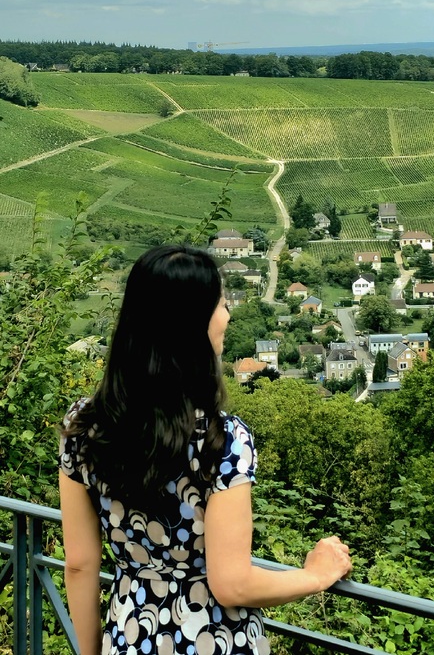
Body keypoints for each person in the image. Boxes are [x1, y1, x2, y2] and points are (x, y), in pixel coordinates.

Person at [59, 244, 352, 655]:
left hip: (129, 635)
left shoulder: (84, 426)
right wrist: (316, 576)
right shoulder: (223, 438)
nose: (227, 316)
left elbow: (79, 564)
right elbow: (231, 583)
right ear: (190, 324)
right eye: (219, 304)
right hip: (213, 641)